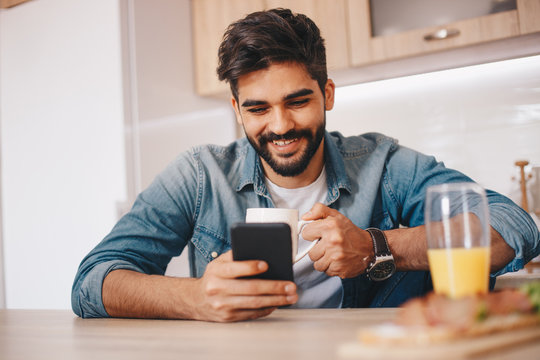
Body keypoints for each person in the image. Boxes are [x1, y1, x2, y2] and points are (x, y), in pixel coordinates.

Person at [72, 8, 539, 322]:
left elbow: (514, 224)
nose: (280, 126)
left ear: (327, 94)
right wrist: (192, 298)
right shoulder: (198, 175)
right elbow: (93, 281)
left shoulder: (384, 164)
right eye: (258, 109)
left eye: (297, 101)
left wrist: (378, 246)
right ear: (237, 110)